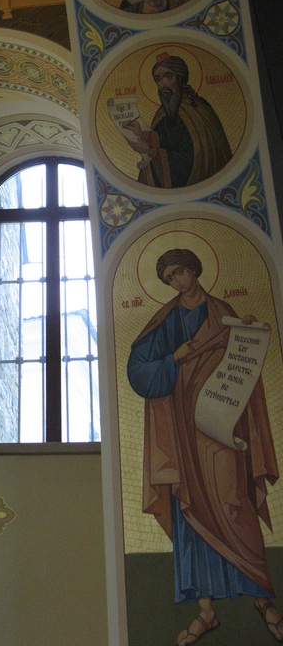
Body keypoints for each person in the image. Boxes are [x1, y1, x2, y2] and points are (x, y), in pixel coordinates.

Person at [127, 249, 282, 645]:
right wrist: (172, 359)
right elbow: (138, 369)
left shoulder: (223, 312)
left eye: (180, 272)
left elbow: (243, 364)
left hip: (223, 424)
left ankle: (262, 598)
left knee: (234, 500)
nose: (178, 282)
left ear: (194, 270)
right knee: (190, 505)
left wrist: (248, 335)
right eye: (170, 279)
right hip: (184, 429)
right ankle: (206, 611)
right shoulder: (165, 320)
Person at [124, 52, 232, 187]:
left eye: (168, 76)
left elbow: (191, 160)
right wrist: (142, 133)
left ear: (180, 79)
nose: (162, 84)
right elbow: (170, 139)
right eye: (158, 79)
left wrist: (151, 151)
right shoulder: (164, 112)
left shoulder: (197, 110)